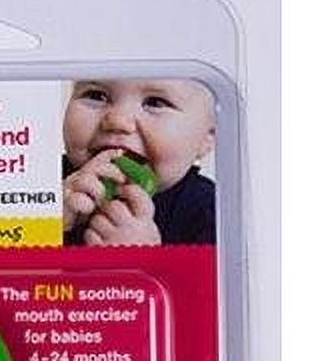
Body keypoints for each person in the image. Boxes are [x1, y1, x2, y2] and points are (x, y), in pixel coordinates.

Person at [62, 79, 216, 245]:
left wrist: (143, 256)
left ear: (208, 136)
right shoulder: (47, 183)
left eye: (155, 103)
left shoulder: (212, 213)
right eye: (96, 95)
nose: (118, 121)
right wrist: (48, 219)